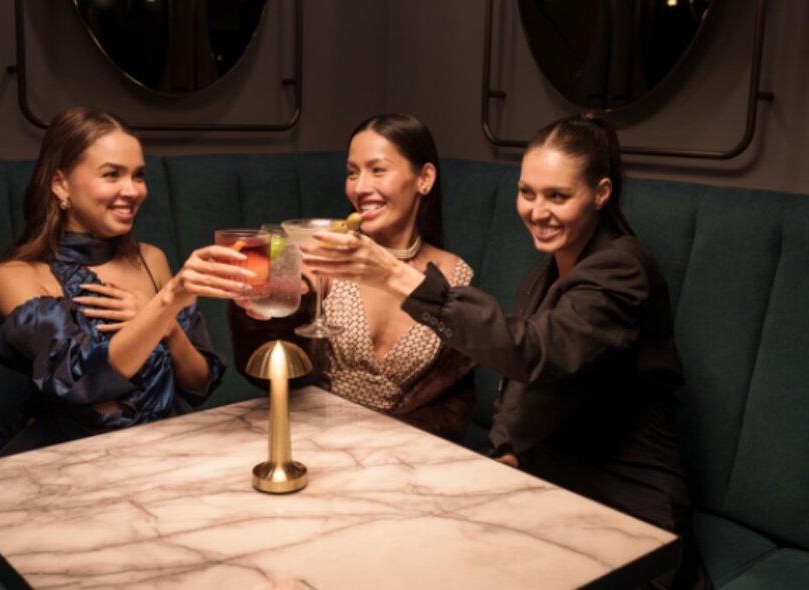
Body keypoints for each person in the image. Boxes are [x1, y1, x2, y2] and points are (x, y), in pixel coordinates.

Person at [299, 113, 709, 588]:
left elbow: (533, 353)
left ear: (600, 193)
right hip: (551, 490)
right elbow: (523, 391)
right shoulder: (543, 276)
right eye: (527, 192)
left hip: (628, 509)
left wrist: (393, 276)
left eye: (558, 196)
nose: (537, 211)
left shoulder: (624, 270)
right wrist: (504, 459)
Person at [0, 106, 252, 574]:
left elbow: (198, 383)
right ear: (60, 184)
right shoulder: (16, 276)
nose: (131, 190)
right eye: (111, 174)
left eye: (138, 175)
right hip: (72, 466)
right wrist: (169, 301)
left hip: (166, 456)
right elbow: (86, 383)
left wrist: (158, 315)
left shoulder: (151, 260)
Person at [230, 114, 476, 441]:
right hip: (310, 435)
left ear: (424, 178)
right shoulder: (322, 258)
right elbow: (267, 366)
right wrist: (262, 317)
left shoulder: (454, 277)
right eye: (352, 173)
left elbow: (453, 402)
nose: (360, 188)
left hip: (404, 448)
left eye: (378, 170)